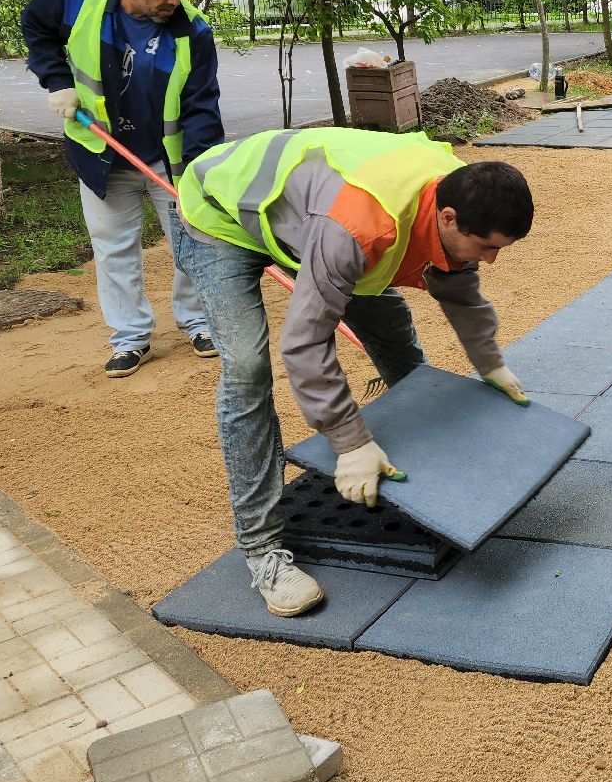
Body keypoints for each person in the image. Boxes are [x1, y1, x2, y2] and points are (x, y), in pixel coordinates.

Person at [171, 128, 533, 617]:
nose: (491, 260)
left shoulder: (452, 189)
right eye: (487, 247)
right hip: (221, 213)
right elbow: (304, 341)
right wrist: (350, 441)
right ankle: (262, 550)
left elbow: (459, 283)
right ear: (448, 217)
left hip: (312, 218)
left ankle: (432, 470)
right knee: (247, 368)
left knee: (387, 317)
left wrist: (490, 361)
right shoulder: (359, 228)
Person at [23, 0, 222, 378]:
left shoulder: (193, 30)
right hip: (103, 154)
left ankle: (200, 323)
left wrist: (199, 169)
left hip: (167, 161)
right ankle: (131, 338)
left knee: (192, 243)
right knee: (113, 249)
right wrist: (56, 80)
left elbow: (202, 106)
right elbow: (35, 26)